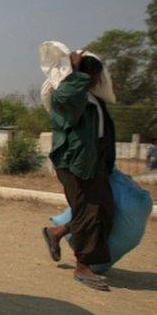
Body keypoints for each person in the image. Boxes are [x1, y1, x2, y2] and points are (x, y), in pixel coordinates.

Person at [41, 52, 116, 291]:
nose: (93, 80)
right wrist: (75, 73)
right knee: (90, 213)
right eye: (89, 76)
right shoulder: (66, 94)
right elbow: (65, 96)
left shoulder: (92, 98)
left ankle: (57, 232)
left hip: (94, 163)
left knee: (101, 210)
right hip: (76, 163)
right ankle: (83, 267)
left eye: (93, 76)